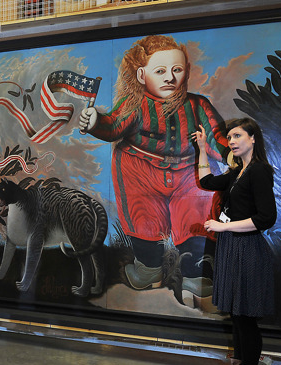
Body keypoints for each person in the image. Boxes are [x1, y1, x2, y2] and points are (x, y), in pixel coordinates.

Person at [79, 35, 229, 300]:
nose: (169, 77)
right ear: (141, 74)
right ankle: (149, 269)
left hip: (187, 172)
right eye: (160, 71)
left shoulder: (198, 105)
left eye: (177, 70)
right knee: (144, 218)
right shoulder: (134, 104)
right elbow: (113, 126)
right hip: (140, 170)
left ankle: (196, 276)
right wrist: (94, 122)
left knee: (195, 217)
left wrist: (229, 155)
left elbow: (215, 134)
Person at [197, 117, 276, 365]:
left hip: (248, 249)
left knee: (245, 319)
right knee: (237, 316)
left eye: (238, 135)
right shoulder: (237, 172)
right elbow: (206, 181)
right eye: (229, 137)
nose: (232, 141)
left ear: (253, 138)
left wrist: (223, 226)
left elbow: (267, 218)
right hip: (232, 248)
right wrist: (203, 149)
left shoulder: (259, 171)